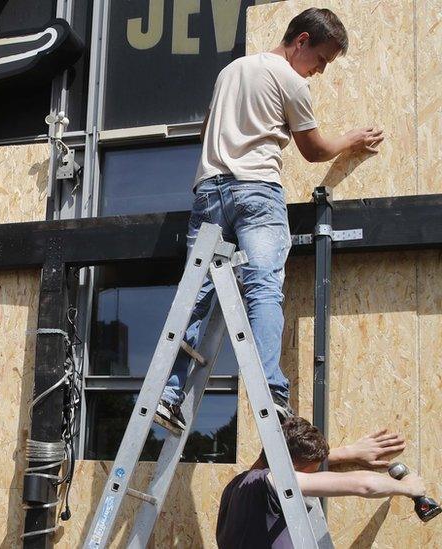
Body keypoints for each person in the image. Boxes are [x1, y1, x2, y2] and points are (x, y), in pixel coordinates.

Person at [156, 7, 385, 431]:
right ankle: (272, 395)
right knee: (263, 287)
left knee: (197, 294)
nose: (319, 70)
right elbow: (313, 150)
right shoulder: (290, 81)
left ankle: (168, 396)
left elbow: (209, 129)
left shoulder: (230, 72)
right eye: (321, 59)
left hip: (209, 192)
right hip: (257, 191)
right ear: (301, 41)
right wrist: (350, 139)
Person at [217, 417, 422, 548]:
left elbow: (285, 462)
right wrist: (408, 487)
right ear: (292, 469)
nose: (313, 478)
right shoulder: (272, 483)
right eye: (310, 474)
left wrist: (348, 453)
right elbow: (363, 485)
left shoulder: (238, 484)